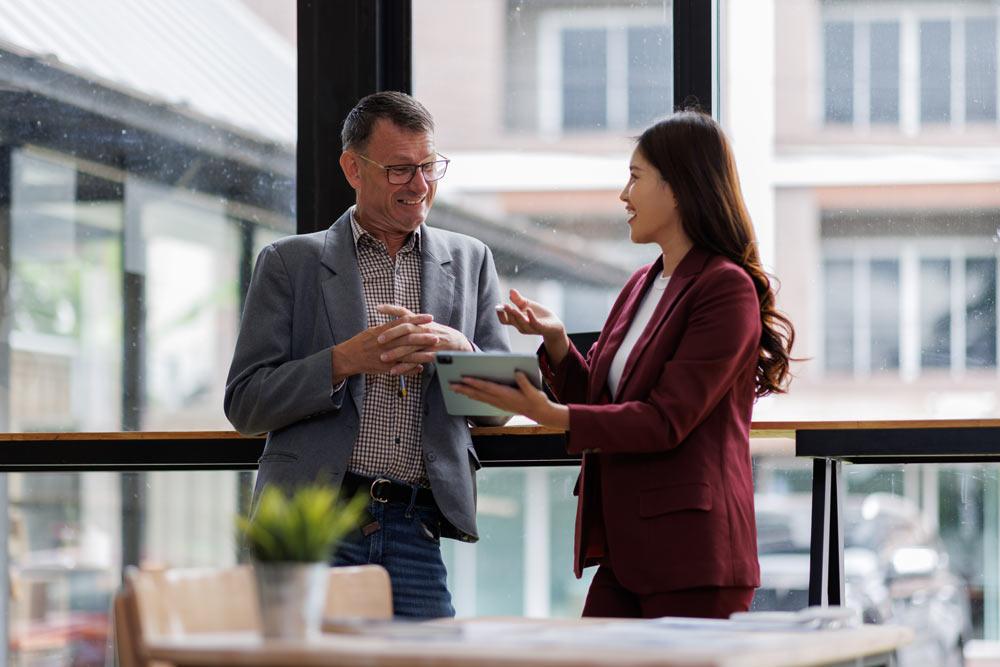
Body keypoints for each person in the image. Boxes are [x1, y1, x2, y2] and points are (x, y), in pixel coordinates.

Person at [451, 110, 795, 619]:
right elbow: (603, 401)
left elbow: (663, 420)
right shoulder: (641, 284)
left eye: (635, 177)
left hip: (695, 558)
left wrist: (551, 416)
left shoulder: (726, 288)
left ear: (677, 188)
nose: (623, 195)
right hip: (627, 551)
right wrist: (559, 344)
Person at [224, 91, 510, 619]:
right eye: (400, 170)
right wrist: (342, 361)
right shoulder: (289, 263)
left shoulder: (472, 260)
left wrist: (458, 350)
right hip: (315, 524)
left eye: (429, 167)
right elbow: (245, 403)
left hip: (416, 525)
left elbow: (503, 404)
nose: (420, 186)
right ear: (352, 168)